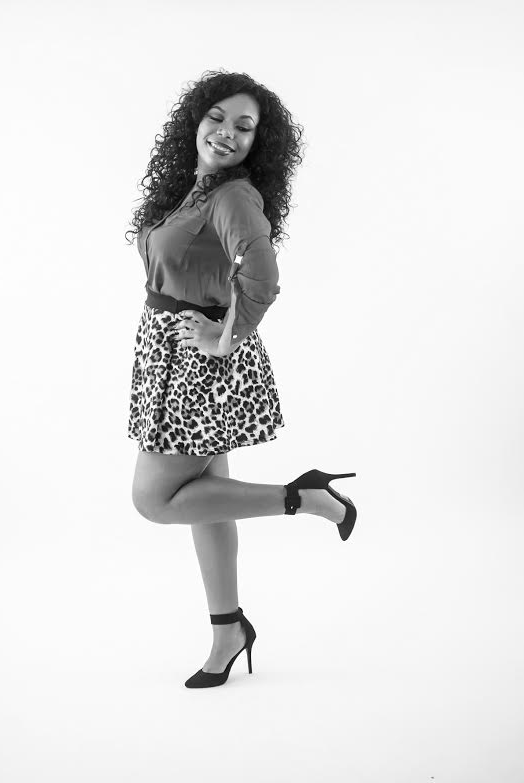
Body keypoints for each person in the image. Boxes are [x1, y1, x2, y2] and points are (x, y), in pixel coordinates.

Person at [125, 69, 357, 688]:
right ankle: (228, 629)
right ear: (196, 120)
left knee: (153, 500)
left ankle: (302, 497)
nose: (227, 132)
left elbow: (263, 278)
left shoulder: (232, 197)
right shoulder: (195, 187)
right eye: (217, 117)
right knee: (207, 500)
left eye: (245, 127)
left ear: (259, 143)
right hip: (170, 356)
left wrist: (223, 337)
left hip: (198, 367)